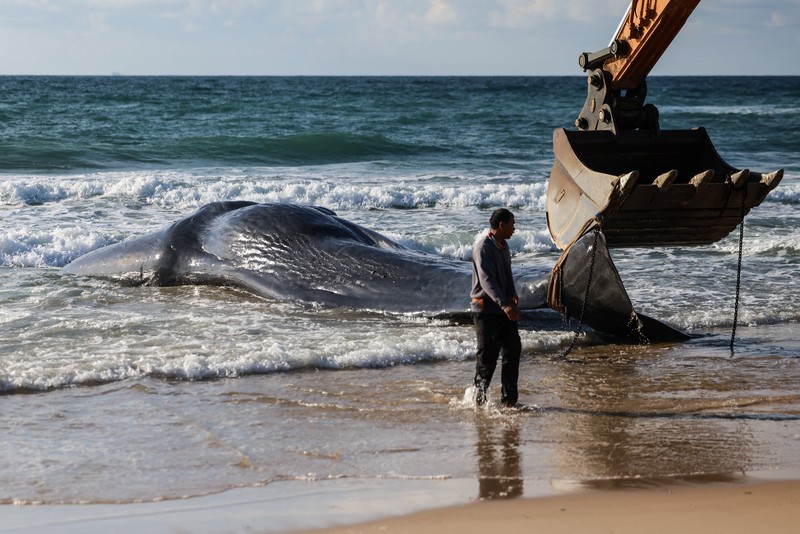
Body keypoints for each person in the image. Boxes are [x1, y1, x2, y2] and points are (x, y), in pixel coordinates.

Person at [470, 208, 521, 408]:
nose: (514, 228)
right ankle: (478, 401)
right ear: (501, 225)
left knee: (513, 350)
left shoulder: (504, 245)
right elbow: (486, 281)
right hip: (485, 310)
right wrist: (504, 303)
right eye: (512, 224)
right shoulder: (483, 247)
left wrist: (512, 295)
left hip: (503, 307)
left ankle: (509, 401)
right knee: (487, 358)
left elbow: (506, 274)